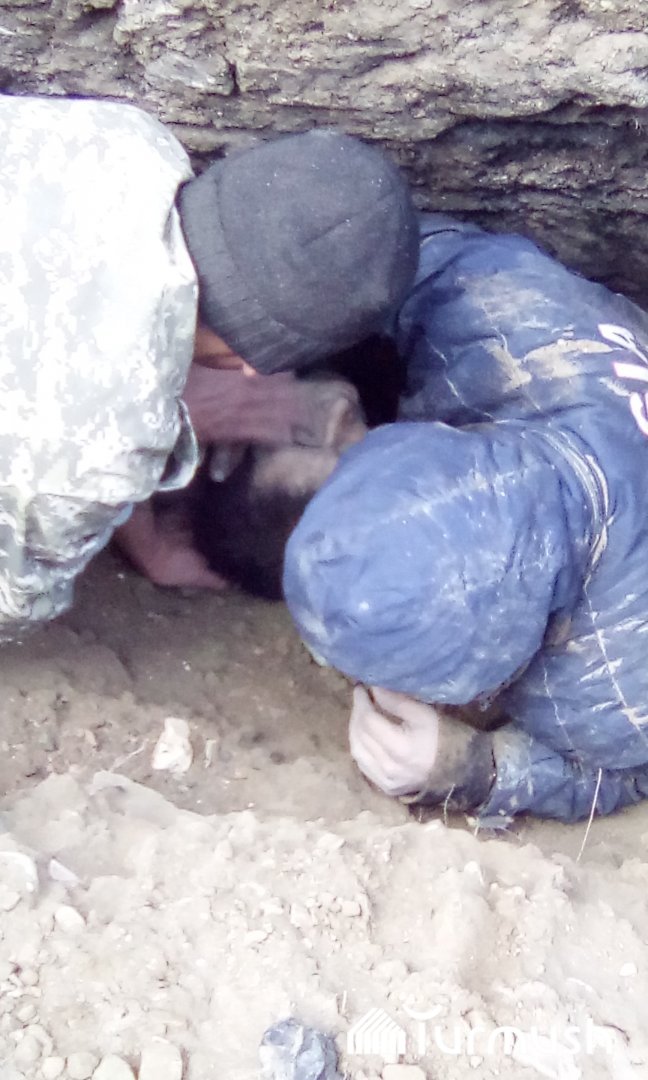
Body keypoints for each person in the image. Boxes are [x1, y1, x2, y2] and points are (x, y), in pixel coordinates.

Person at [0, 94, 419, 640]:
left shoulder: (128, 140)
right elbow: (12, 603)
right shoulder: (103, 446)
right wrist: (149, 427)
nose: (351, 426)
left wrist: (151, 411)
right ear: (250, 364)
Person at [283, 213, 648, 824]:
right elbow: (385, 246)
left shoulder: (618, 686)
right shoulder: (502, 312)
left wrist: (477, 769)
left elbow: (631, 774)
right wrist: (260, 361)